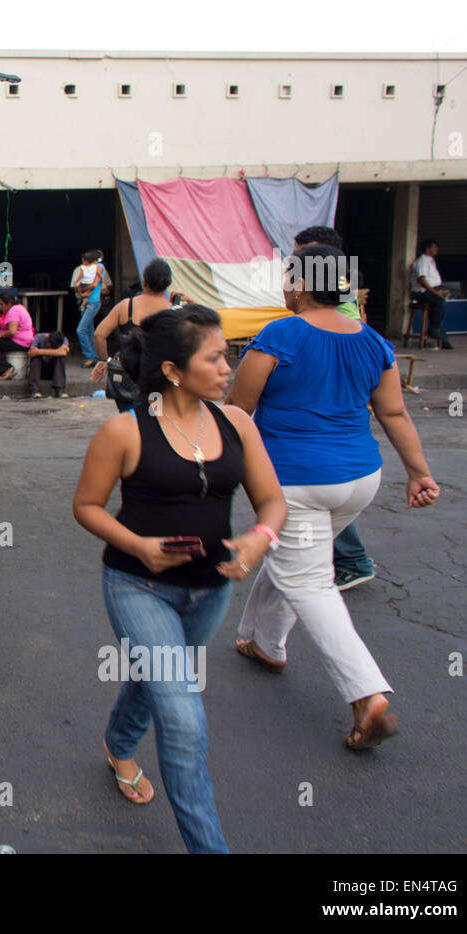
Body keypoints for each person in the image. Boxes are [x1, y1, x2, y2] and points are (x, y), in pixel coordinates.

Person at [73, 305, 287, 854]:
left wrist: (260, 538)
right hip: (137, 587)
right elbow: (87, 506)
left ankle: (118, 742)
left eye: (228, 356)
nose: (227, 368)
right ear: (173, 370)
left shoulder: (236, 423)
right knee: (184, 717)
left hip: (211, 591)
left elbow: (272, 501)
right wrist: (140, 546)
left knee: (160, 680)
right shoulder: (125, 431)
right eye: (214, 358)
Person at [226, 244, 440, 751]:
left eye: (288, 277)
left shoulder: (280, 334)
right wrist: (419, 473)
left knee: (309, 581)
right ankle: (265, 643)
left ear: (301, 284)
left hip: (295, 482)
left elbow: (237, 407)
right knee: (296, 560)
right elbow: (393, 414)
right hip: (360, 480)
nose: (284, 286)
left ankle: (367, 696)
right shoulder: (372, 340)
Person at [290, 226, 375, 590]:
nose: (295, 262)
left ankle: (350, 560)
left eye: (302, 255)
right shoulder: (331, 296)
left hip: (328, 412)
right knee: (324, 491)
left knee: (321, 488)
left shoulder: (337, 302)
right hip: (329, 412)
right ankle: (344, 561)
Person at [92, 258, 178, 411]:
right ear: (168, 283)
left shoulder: (126, 306)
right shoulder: (173, 311)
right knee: (155, 419)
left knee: (129, 418)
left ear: (144, 281)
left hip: (127, 378)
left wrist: (103, 360)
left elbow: (99, 335)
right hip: (157, 380)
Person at [0, 289, 34, 379]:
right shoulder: (19, 307)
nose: (0, 307)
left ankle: (5, 369)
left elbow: (12, 331)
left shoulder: (13, 311)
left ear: (8, 303)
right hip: (24, 340)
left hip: (21, 342)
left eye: (1, 304)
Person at [410, 239, 452, 350]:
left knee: (439, 308)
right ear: (427, 249)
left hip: (432, 290)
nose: (437, 249)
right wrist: (436, 293)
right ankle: (434, 329)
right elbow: (422, 280)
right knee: (439, 302)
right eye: (434, 247)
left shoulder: (430, 261)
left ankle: (442, 337)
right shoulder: (422, 261)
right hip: (422, 292)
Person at [72, 250, 104, 366]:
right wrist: (82, 294)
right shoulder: (87, 268)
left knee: (81, 330)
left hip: (93, 302)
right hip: (87, 301)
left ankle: (89, 356)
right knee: (89, 331)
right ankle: (94, 357)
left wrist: (82, 292)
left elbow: (94, 285)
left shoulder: (99, 267)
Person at [26, 330, 69, 399]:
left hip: (54, 372)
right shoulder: (39, 337)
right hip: (40, 371)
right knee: (35, 358)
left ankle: (59, 389)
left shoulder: (64, 339)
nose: (49, 346)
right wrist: (55, 351)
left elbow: (63, 352)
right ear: (48, 338)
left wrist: (39, 351)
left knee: (61, 357)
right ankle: (34, 390)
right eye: (49, 344)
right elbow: (31, 353)